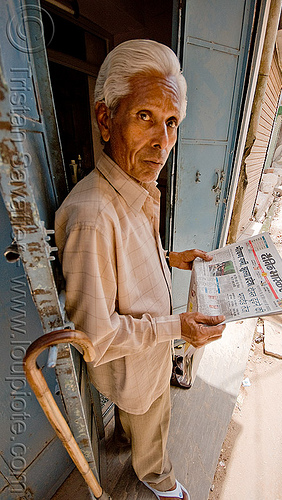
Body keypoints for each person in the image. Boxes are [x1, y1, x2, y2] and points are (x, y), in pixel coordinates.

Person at [55, 39, 225, 500]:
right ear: (106, 119)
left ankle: (126, 438)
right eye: (145, 117)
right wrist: (177, 328)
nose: (162, 142)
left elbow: (123, 258)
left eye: (170, 123)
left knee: (136, 421)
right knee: (154, 425)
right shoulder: (92, 214)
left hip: (143, 357)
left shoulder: (134, 188)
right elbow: (98, 338)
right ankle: (158, 479)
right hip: (136, 366)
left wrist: (171, 258)